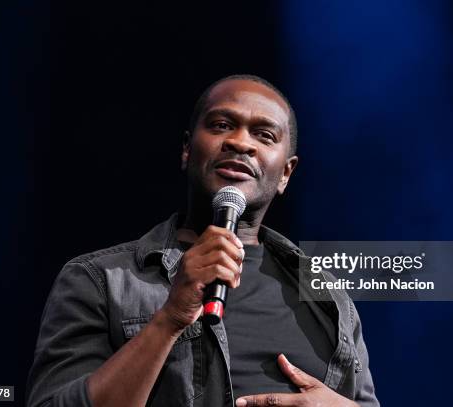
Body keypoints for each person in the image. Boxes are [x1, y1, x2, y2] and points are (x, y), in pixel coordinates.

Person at [26, 74, 379, 407]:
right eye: (221, 125)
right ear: (186, 149)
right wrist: (170, 318)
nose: (240, 142)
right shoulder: (100, 279)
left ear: (286, 173)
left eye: (264, 135)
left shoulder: (328, 296)